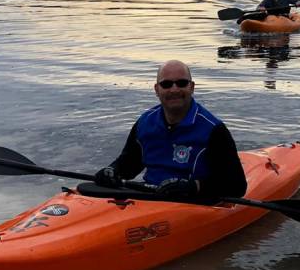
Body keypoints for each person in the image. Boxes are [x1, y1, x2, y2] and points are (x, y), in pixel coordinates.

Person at [94, 60, 248, 200]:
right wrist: (112, 171)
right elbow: (129, 165)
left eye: (181, 83)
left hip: (193, 202)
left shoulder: (214, 130)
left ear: (192, 87)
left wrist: (194, 186)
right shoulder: (144, 122)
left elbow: (237, 186)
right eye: (166, 84)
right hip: (150, 196)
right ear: (156, 89)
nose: (174, 89)